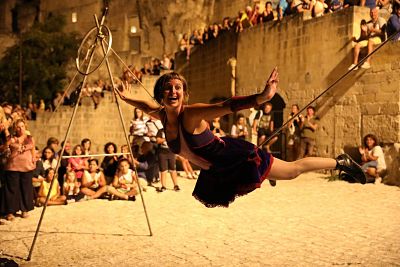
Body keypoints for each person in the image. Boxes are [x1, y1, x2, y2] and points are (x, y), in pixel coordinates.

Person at [115, 69, 366, 207]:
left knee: (291, 171)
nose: (173, 91)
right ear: (162, 94)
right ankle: (329, 165)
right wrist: (127, 98)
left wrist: (261, 98)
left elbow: (227, 105)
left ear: (184, 94)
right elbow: (145, 103)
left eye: (178, 88)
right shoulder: (161, 115)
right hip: (218, 170)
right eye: (168, 88)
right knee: (286, 173)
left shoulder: (191, 115)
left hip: (234, 158)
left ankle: (340, 162)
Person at [0, 119, 36, 220]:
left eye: (22, 126)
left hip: (27, 166)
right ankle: (10, 211)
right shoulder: (10, 138)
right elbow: (3, 148)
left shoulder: (30, 138)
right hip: (13, 166)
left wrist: (34, 159)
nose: (20, 129)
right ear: (15, 128)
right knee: (12, 189)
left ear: (25, 127)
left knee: (26, 188)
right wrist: (8, 142)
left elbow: (33, 149)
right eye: (18, 127)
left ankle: (24, 210)